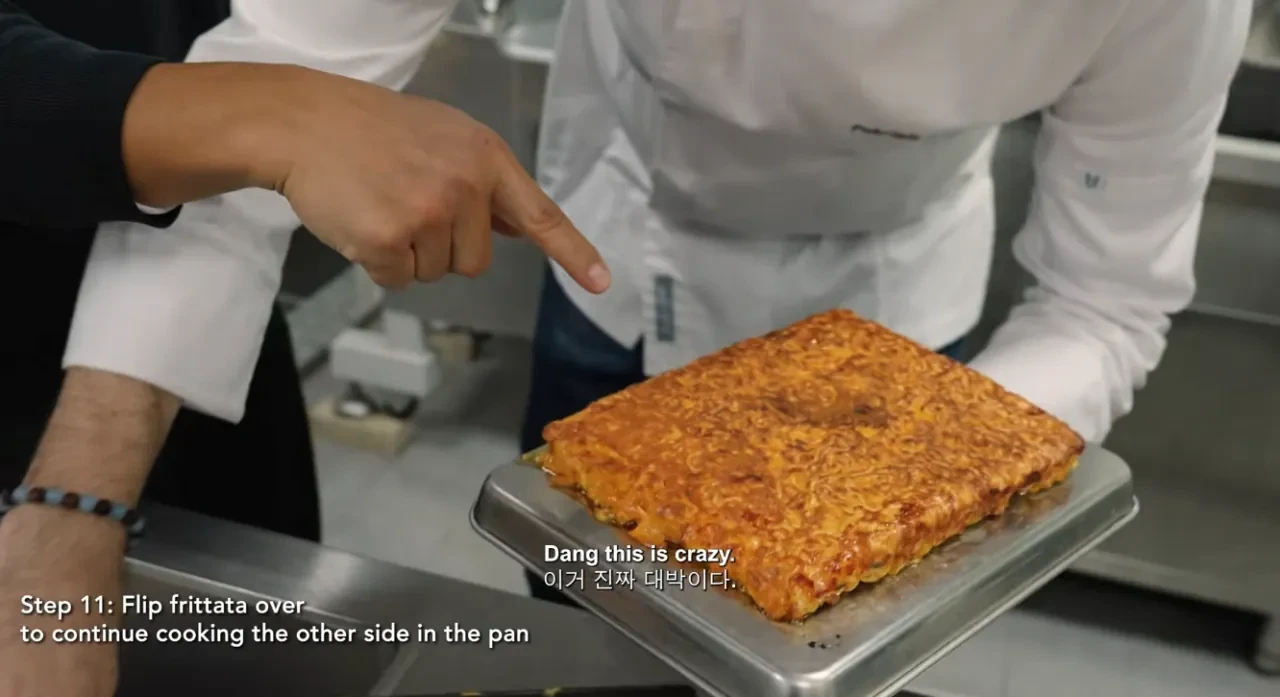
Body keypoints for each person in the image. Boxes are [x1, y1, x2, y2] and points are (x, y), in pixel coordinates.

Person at [3, 0, 1251, 691]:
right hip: (619, 263)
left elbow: (1103, 299)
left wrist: (894, 495)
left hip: (897, 327)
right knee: (590, 649)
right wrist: (75, 501)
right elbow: (276, 94)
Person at [0, 2, 609, 694]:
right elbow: (291, 76)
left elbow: (276, 105)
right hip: (125, 321)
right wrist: (76, 505)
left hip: (178, 342)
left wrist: (265, 116)